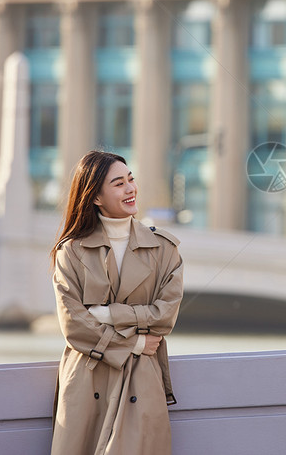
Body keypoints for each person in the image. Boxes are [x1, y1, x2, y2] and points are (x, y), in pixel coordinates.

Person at [50, 150, 184, 455]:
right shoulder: (70, 251)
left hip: (141, 381)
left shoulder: (165, 250)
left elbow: (164, 317)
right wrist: (135, 344)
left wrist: (108, 314)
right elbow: (73, 325)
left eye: (131, 180)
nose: (130, 189)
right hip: (87, 380)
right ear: (96, 196)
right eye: (119, 183)